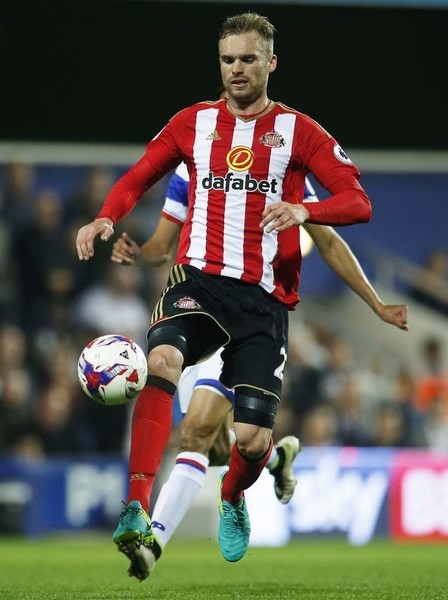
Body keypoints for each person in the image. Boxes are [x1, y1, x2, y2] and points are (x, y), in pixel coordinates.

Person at [76, 11, 375, 571]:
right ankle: (139, 514)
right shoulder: (194, 134)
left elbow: (355, 205)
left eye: (247, 59)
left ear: (270, 63)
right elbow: (141, 184)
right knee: (167, 372)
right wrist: (108, 222)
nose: (236, 70)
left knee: (247, 441)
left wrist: (306, 213)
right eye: (228, 60)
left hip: (261, 306)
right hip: (200, 288)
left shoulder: (294, 137)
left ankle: (238, 490)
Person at [110, 160, 408, 579]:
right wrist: (138, 255)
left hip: (256, 315)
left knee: (216, 435)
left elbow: (329, 242)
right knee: (209, 442)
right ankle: (272, 460)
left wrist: (376, 304)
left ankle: (216, 504)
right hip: (202, 303)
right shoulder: (191, 167)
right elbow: (161, 245)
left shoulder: (280, 168)